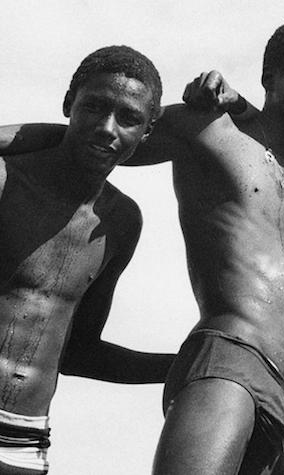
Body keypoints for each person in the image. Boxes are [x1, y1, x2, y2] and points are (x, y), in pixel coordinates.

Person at [0, 17, 284, 475]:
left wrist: (244, 105)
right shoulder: (211, 130)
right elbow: (104, 135)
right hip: (230, 361)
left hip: (280, 389)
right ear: (270, 78)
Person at [0, 45, 174, 474]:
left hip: (25, 442)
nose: (106, 128)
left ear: (147, 132)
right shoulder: (5, 180)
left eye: (128, 118)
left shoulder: (120, 221)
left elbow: (78, 353)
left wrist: (191, 365)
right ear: (68, 104)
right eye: (94, 107)